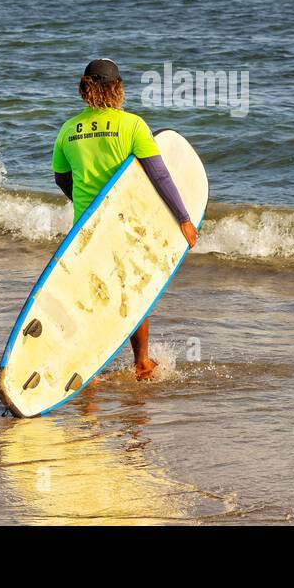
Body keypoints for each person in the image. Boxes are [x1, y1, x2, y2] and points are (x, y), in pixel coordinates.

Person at [51, 59, 198, 380]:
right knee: (134, 293)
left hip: (84, 230)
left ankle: (84, 364)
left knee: (89, 299)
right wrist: (183, 218)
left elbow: (62, 179)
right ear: (117, 88)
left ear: (84, 89)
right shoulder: (132, 125)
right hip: (124, 226)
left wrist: (85, 205)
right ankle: (142, 362)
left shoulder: (67, 130)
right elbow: (159, 175)